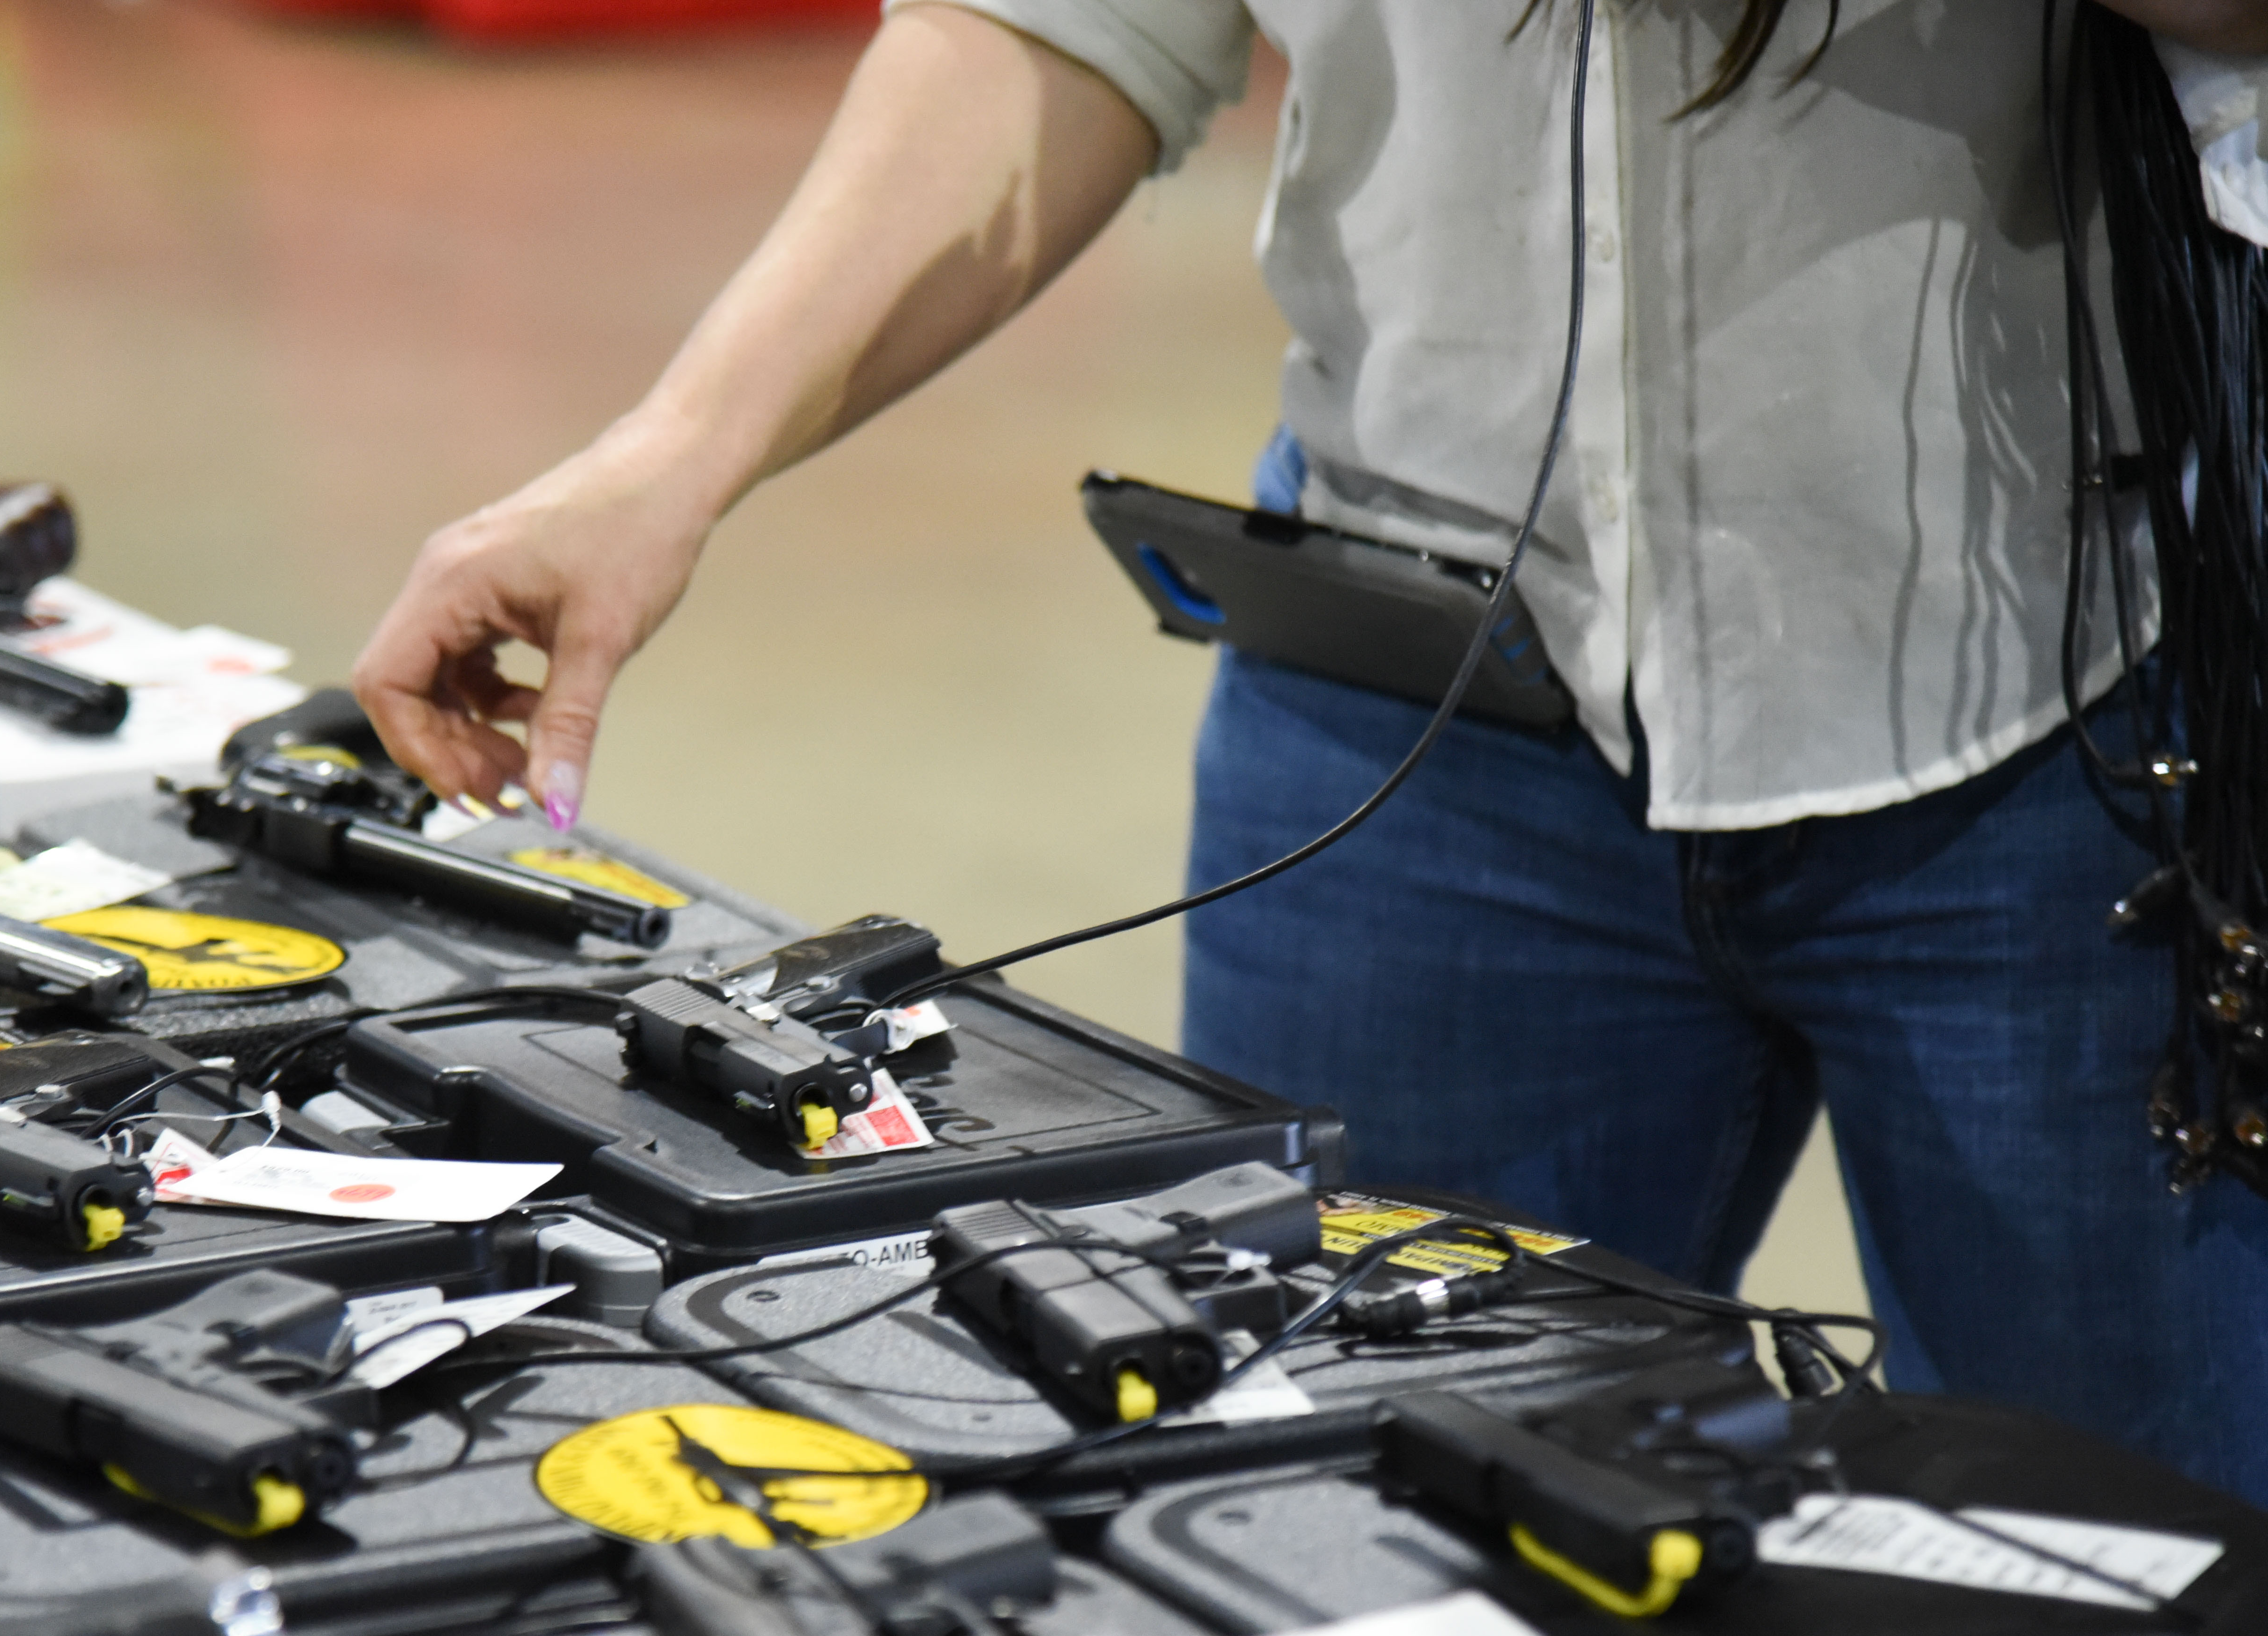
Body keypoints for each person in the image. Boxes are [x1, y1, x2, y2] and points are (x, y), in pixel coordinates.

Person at [352, 0, 2268, 1498]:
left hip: (2076, 698)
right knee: (1330, 1529)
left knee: (2129, 1596)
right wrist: (665, 465)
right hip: (1421, 724)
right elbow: (1061, 25)